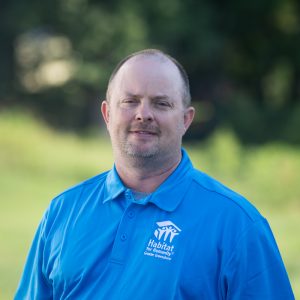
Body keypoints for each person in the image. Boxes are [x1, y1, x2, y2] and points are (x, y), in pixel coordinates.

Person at [15, 49, 294, 299]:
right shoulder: (63, 212)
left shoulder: (237, 225)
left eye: (161, 104)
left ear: (186, 119)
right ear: (107, 114)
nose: (143, 114)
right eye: (130, 101)